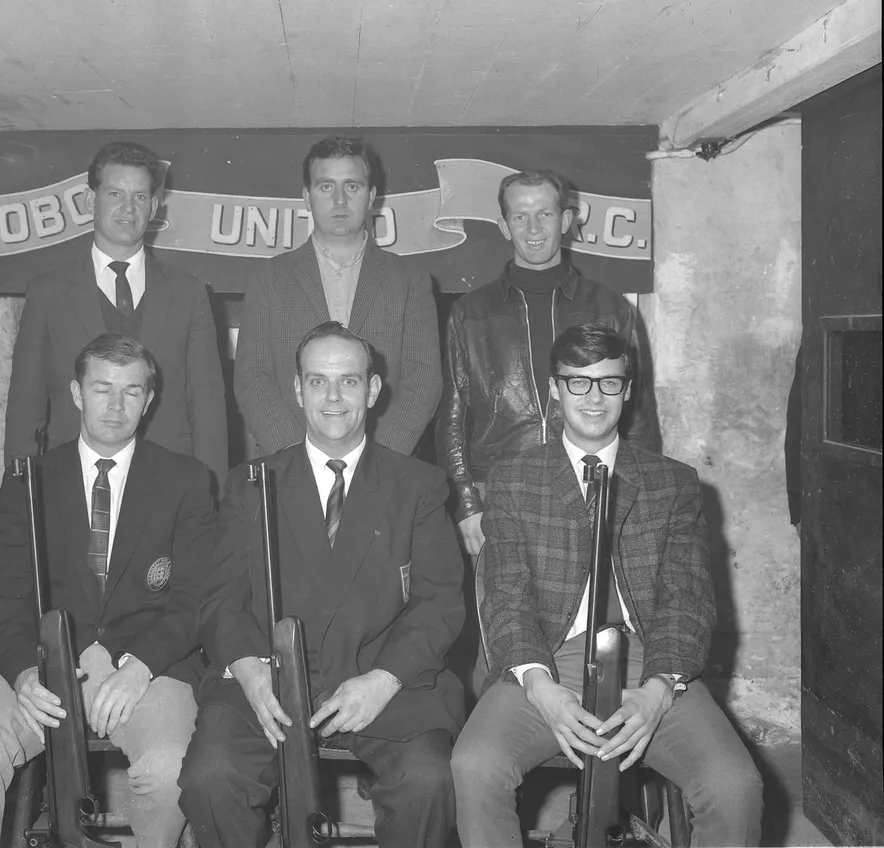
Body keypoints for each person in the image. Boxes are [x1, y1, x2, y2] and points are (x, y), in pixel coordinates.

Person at [451, 324, 762, 847]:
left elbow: (688, 602)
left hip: (650, 661)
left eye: (609, 383)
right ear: (554, 388)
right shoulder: (514, 479)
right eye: (578, 383)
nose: (594, 398)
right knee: (474, 766)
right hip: (547, 659)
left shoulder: (672, 482)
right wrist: (540, 687)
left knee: (735, 787)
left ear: (628, 389)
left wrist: (659, 692)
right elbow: (505, 595)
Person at [180, 322, 464, 848]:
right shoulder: (250, 484)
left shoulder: (417, 485)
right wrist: (247, 669)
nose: (333, 398)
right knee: (210, 778)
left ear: (373, 390)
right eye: (317, 382)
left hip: (381, 676)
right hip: (268, 681)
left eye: (349, 382)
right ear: (297, 390)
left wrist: (384, 679)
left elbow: (440, 602)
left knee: (428, 782)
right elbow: (220, 600)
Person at [0, 333, 217, 848]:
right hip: (43, 668)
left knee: (169, 767)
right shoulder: (29, 480)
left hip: (146, 668)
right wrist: (23, 672)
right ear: (75, 392)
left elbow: (196, 597)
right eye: (101, 388)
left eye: (131, 391)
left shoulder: (187, 481)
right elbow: (0, 592)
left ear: (149, 399)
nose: (115, 406)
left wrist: (138, 668)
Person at [436, 169, 660, 559]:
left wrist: (637, 503)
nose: (533, 227)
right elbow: (451, 418)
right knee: (506, 619)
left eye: (545, 214)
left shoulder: (610, 308)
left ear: (567, 220)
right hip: (500, 494)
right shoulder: (470, 313)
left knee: (592, 621)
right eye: (520, 216)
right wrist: (467, 504)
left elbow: (638, 414)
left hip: (594, 488)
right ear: (504, 227)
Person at [4, 140, 228, 487]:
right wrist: (20, 493)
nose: (128, 208)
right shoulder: (47, 293)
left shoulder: (189, 293)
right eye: (114, 195)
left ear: (154, 207)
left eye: (139, 197)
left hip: (168, 484)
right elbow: (25, 405)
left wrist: (212, 495)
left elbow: (208, 407)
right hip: (72, 481)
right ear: (91, 200)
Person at [234, 136, 440, 457]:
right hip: (291, 467)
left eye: (352, 187)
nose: (340, 200)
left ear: (371, 196)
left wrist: (375, 460)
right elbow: (252, 379)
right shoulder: (269, 279)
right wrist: (299, 457)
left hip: (385, 470)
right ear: (307, 196)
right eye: (326, 187)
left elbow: (423, 378)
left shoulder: (410, 281)